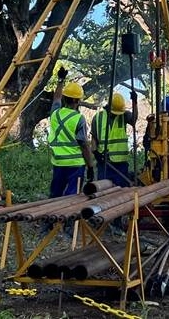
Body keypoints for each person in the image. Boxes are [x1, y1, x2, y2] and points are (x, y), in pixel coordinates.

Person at [42, 67, 94, 237]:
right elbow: (84, 145)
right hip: (75, 165)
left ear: (65, 98)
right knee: (73, 196)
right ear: (78, 101)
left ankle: (47, 225)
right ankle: (68, 227)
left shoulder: (55, 113)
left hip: (58, 163)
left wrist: (60, 80)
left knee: (55, 193)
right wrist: (90, 165)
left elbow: (56, 97)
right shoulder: (78, 119)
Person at [91, 91, 138, 187]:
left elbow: (133, 120)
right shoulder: (98, 118)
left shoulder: (124, 115)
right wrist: (96, 153)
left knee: (122, 192)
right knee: (103, 190)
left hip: (121, 164)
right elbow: (94, 139)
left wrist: (135, 102)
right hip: (105, 163)